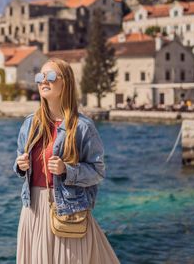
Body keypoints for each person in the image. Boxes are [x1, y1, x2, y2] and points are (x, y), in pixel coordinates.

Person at [13, 58, 119, 264]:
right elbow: (19, 162)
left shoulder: (82, 127)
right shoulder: (30, 124)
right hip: (32, 210)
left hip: (68, 211)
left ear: (66, 83)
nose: (44, 81)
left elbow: (97, 172)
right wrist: (20, 165)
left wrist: (67, 170)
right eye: (40, 77)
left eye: (51, 76)